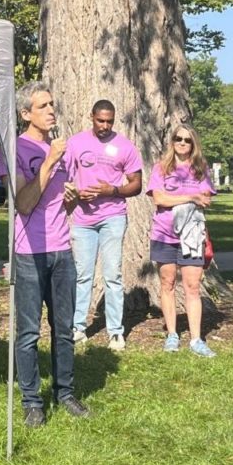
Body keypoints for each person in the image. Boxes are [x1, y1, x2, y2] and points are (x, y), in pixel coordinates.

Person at [0, 80, 89, 427]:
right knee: (28, 333)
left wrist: (72, 199)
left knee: (63, 329)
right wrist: (49, 163)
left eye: (52, 104)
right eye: (43, 106)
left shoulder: (60, 149)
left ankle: (65, 393)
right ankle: (32, 401)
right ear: (25, 114)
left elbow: (57, 204)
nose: (52, 111)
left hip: (62, 250)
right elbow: (22, 204)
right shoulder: (15, 149)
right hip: (28, 252)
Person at [64, 99, 143, 351]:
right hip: (83, 219)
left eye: (109, 121)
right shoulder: (76, 143)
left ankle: (115, 332)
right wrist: (76, 194)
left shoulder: (124, 146)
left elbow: (136, 184)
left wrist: (112, 190)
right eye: (100, 120)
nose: (105, 126)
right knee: (82, 274)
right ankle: (78, 327)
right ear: (92, 117)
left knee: (113, 274)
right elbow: (63, 178)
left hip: (113, 216)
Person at [147, 125, 216, 357]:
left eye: (188, 140)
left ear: (193, 144)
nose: (183, 143)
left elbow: (206, 200)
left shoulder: (200, 169)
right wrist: (190, 196)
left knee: (192, 286)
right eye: (178, 138)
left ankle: (196, 339)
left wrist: (185, 198)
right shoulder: (161, 168)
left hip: (192, 236)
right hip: (164, 234)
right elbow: (159, 198)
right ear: (172, 141)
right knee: (167, 284)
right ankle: (172, 335)